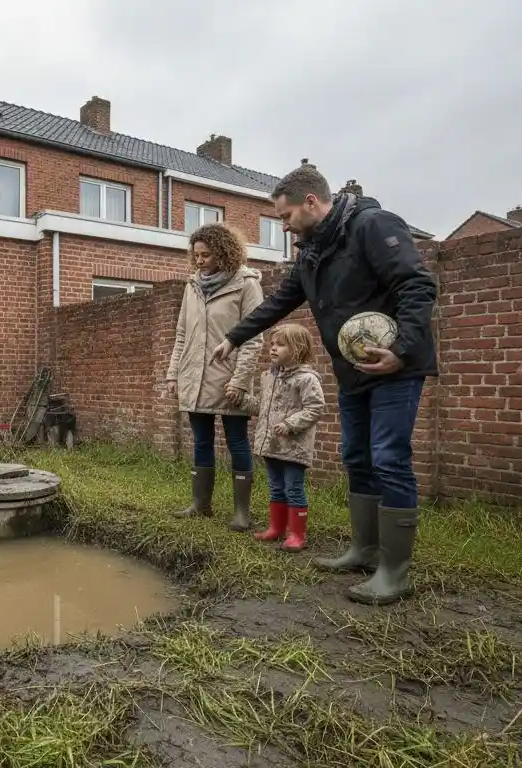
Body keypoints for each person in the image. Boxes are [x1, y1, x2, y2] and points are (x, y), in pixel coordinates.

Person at [210, 164, 438, 606]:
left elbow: (417, 285)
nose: (284, 225)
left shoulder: (373, 226)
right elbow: (279, 302)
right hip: (352, 372)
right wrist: (234, 338)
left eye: (286, 216)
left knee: (389, 457)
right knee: (356, 455)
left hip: (395, 367)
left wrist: (403, 350)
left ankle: (395, 570)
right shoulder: (311, 252)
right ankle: (364, 550)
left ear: (311, 202)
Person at [164, 223, 266, 532]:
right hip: (194, 376)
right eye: (195, 255)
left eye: (206, 255)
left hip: (228, 378)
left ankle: (241, 513)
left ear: (223, 252)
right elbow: (182, 335)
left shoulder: (246, 284)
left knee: (237, 441)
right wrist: (173, 374)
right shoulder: (191, 286)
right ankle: (200, 505)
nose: (199, 261)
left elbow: (254, 338)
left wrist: (239, 380)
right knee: (201, 441)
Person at [240, 323, 325, 552]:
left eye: (280, 344)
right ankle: (276, 528)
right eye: (272, 344)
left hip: (294, 446)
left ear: (297, 349)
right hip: (271, 444)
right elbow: (262, 407)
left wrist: (290, 424)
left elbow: (315, 408)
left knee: (293, 488)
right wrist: (242, 400)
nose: (273, 349)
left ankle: (297, 534)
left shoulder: (307, 379)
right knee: (276, 487)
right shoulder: (268, 377)